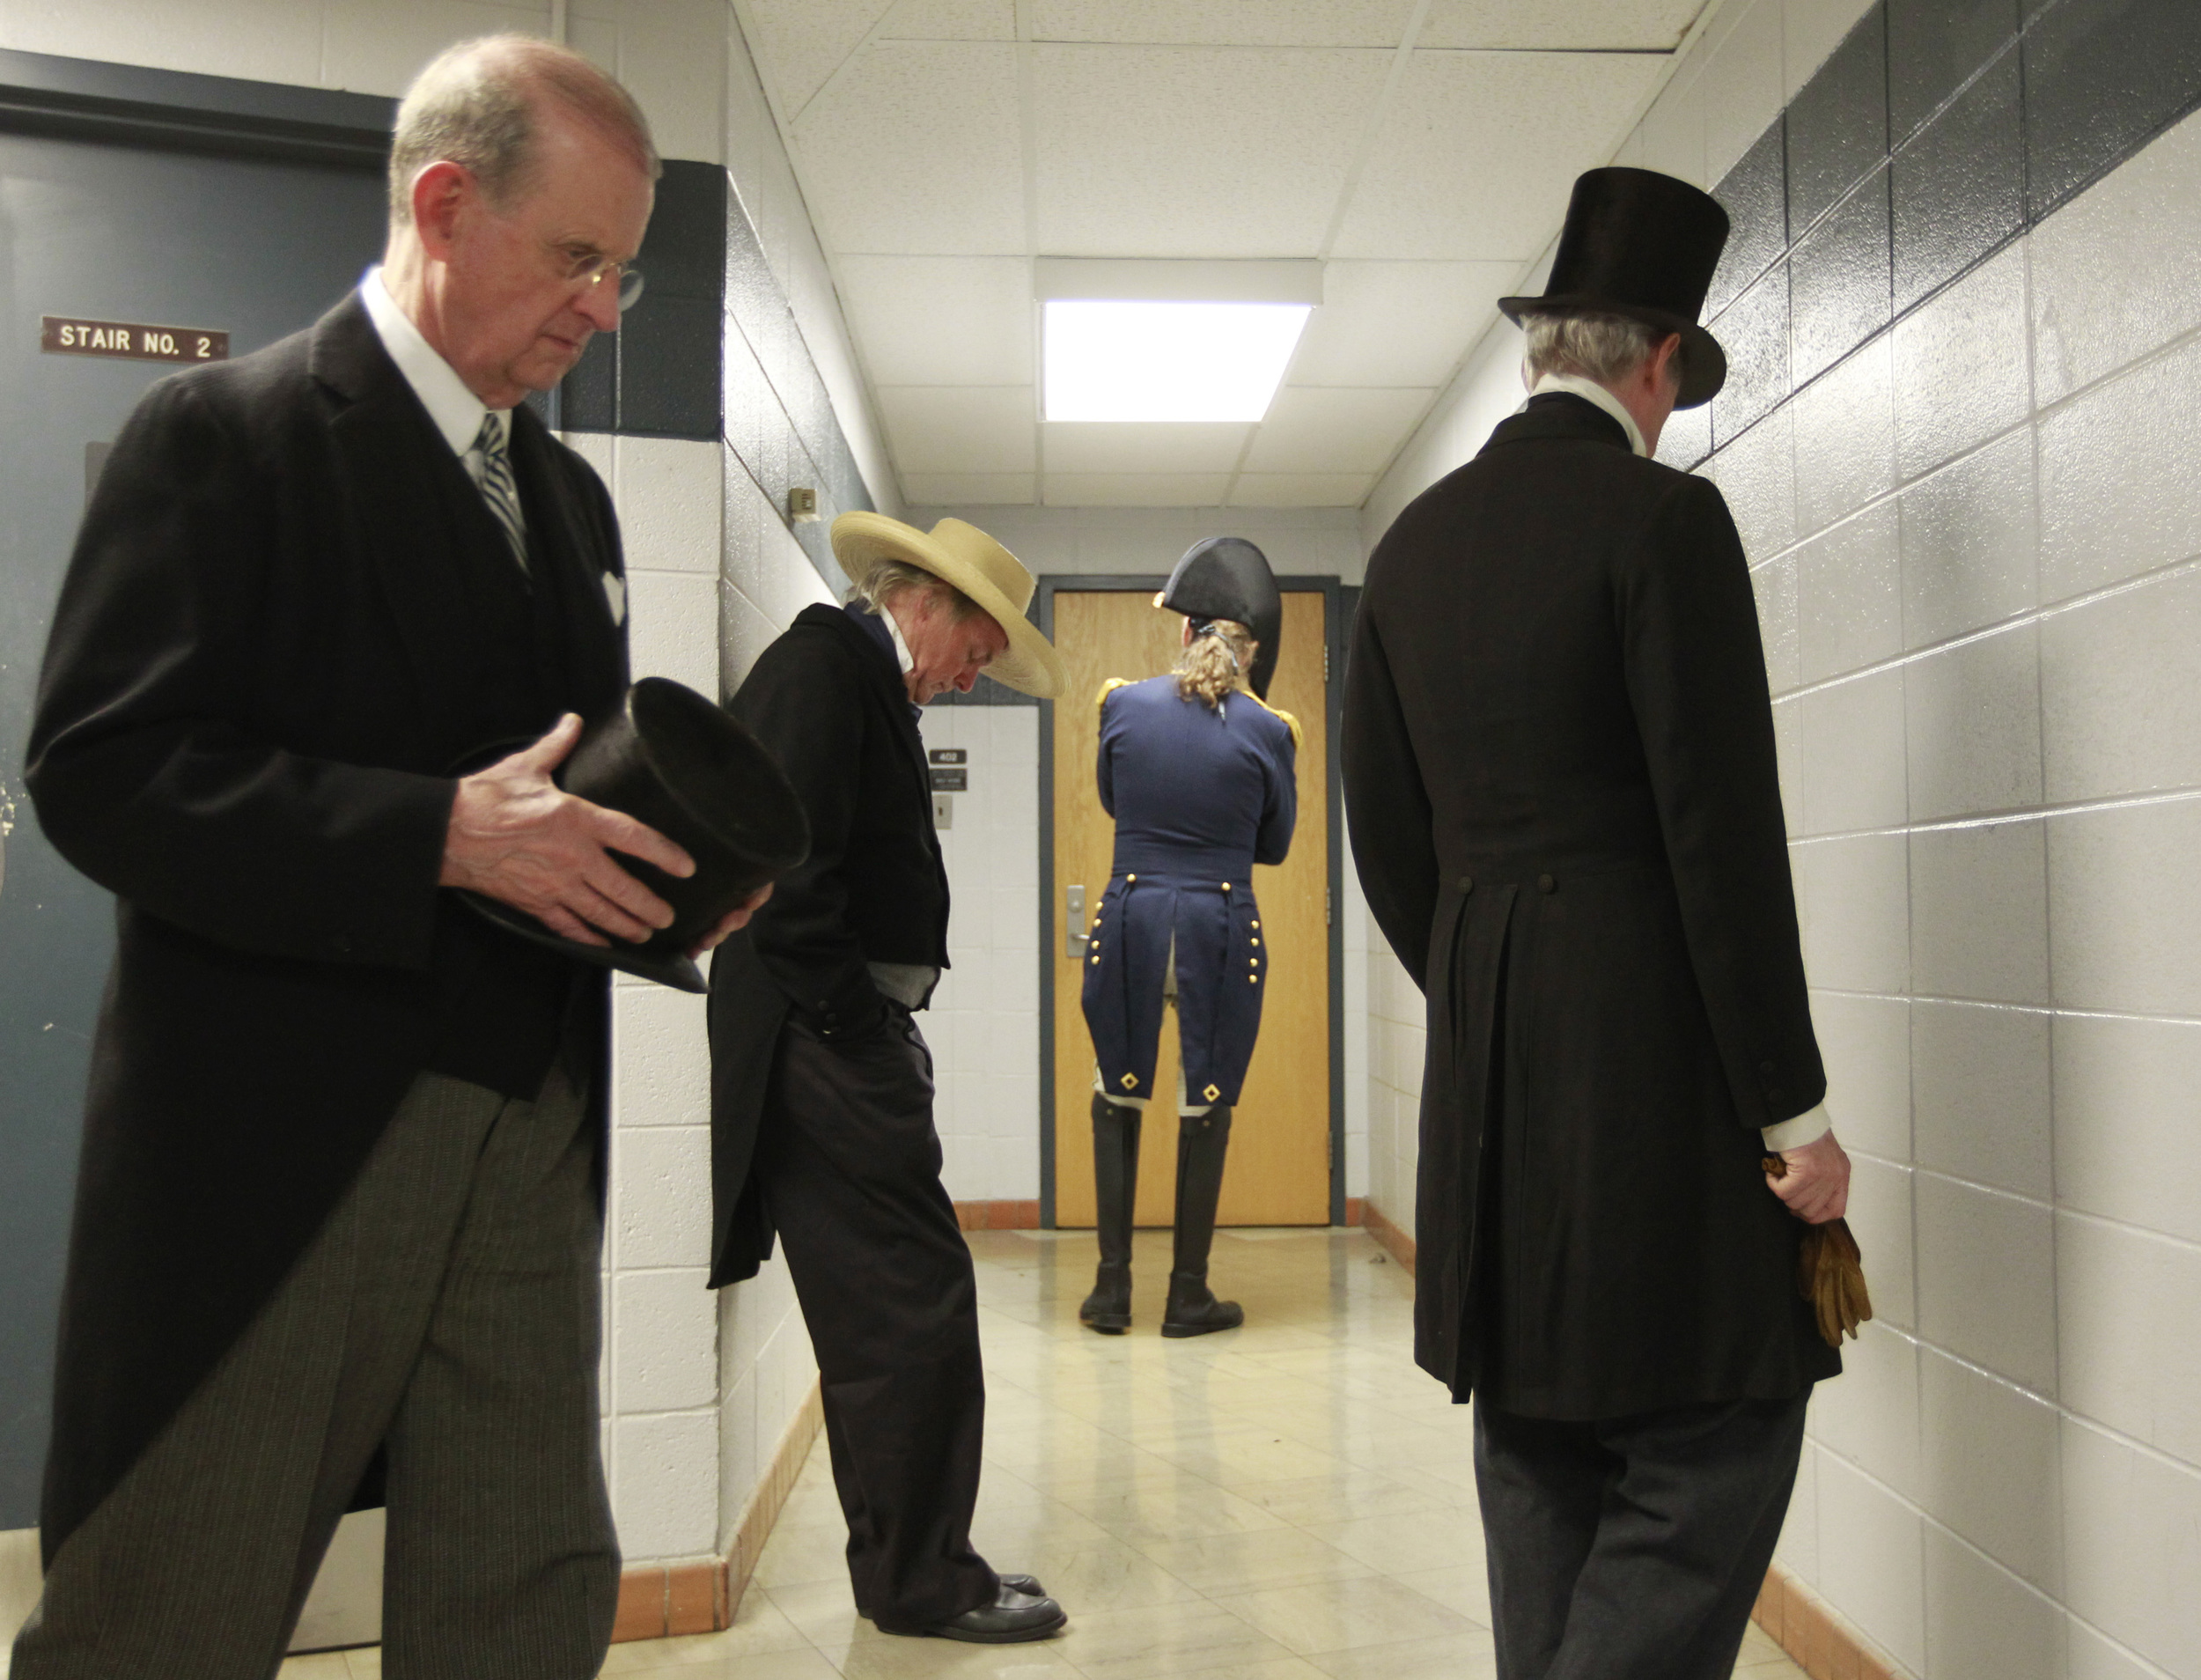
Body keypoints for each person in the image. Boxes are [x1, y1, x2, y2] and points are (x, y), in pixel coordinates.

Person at [14, 38, 764, 1679]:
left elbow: (552, 804)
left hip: (530, 1133)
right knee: (174, 1599)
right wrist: (435, 834)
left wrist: (679, 886)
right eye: (578, 257)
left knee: (523, 1582)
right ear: (442, 202)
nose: (605, 307)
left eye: (626, 270)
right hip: (288, 1149)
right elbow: (103, 772)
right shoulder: (224, 433)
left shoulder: (566, 500)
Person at [1342, 166, 1854, 1680]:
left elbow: (1386, 836)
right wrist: (1796, 1114)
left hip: (1491, 1062)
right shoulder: (1667, 522)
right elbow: (1721, 843)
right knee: (1724, 1424)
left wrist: (1492, 974)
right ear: (1658, 366)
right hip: (1656, 1064)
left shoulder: (1411, 549)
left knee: (1541, 1443)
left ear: (1538, 354)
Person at [706, 514, 1070, 1642]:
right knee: (914, 1309)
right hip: (822, 1044)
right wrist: (857, 1025)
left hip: (827, 1039)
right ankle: (926, 1581)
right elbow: (784, 871)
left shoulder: (854, 674)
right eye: (978, 647)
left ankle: (909, 1570)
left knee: (882, 1319)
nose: (975, 675)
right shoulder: (826, 666)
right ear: (927, 603)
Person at [1078, 538, 1299, 1337]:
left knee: (1116, 1092)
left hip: (1132, 913)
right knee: (1202, 1101)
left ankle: (1110, 1295)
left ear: (1184, 634)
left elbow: (1112, 801)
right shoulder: (1270, 731)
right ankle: (1187, 1295)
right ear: (1250, 653)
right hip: (1218, 921)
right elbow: (1273, 848)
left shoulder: (1121, 705)